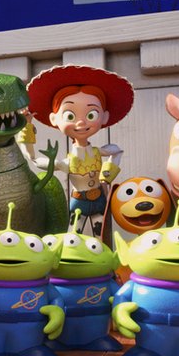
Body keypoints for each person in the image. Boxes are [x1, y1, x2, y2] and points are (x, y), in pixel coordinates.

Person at [26, 65, 134, 235]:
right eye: (70, 116)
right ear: (54, 119)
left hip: (99, 199)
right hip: (78, 202)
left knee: (101, 236)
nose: (81, 122)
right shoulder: (66, 163)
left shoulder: (99, 152)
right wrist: (27, 128)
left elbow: (117, 152)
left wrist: (105, 178)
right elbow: (33, 159)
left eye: (91, 115)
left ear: (104, 116)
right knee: (73, 237)